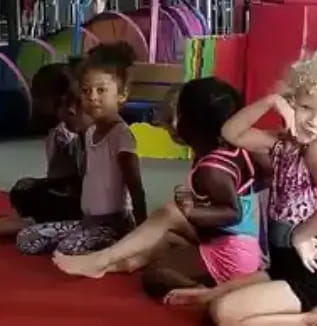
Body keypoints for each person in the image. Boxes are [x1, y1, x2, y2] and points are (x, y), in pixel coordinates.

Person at [53, 78, 268, 303]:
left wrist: (191, 211)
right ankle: (114, 262)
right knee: (166, 235)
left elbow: (234, 213)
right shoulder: (223, 151)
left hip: (234, 250)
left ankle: (210, 291)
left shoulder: (213, 168)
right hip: (230, 239)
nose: (173, 124)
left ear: (191, 123)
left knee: (157, 275)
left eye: (177, 116)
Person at [211, 38, 317, 326]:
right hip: (281, 267)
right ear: (291, 103)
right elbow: (231, 132)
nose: (313, 122)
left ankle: (312, 318)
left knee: (226, 316)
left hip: (307, 278)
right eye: (306, 107)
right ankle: (310, 314)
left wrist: (301, 236)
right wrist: (270, 102)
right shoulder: (281, 143)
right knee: (217, 303)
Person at [16, 42, 147, 255]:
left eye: (101, 90)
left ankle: (118, 244)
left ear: (121, 95)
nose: (93, 97)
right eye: (86, 91)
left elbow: (135, 186)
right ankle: (91, 240)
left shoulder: (120, 135)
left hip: (112, 222)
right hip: (87, 221)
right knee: (26, 239)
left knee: (66, 249)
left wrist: (141, 231)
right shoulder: (88, 133)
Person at [0, 62, 91, 237]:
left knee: (38, 196)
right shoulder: (61, 131)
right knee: (24, 188)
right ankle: (27, 220)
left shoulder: (74, 132)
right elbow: (58, 179)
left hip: (83, 203)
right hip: (72, 191)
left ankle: (28, 223)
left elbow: (62, 178)